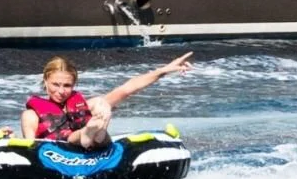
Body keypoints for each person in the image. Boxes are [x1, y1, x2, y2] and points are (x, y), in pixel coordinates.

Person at [20, 51, 192, 150]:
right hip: (58, 153)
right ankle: (87, 133)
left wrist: (164, 70)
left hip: (97, 145)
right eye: (55, 85)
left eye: (67, 85)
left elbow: (127, 89)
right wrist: (10, 139)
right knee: (77, 136)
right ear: (45, 82)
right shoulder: (31, 115)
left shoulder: (84, 105)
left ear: (74, 85)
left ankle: (96, 132)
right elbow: (30, 149)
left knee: (100, 103)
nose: (61, 91)